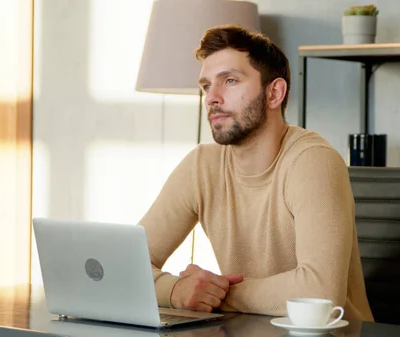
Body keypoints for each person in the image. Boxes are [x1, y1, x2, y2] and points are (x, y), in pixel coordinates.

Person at [138, 24, 374, 322]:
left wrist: (216, 294)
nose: (212, 98)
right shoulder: (201, 166)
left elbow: (320, 293)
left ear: (274, 93)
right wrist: (176, 291)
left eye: (230, 81)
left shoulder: (313, 161)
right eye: (207, 85)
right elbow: (128, 266)